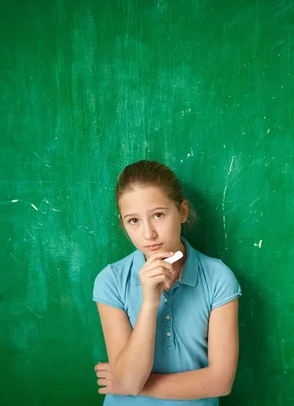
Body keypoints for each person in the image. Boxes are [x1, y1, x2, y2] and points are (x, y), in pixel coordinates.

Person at [92, 160, 241, 405]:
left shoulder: (218, 277)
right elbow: (129, 381)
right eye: (134, 221)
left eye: (158, 215)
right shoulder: (111, 280)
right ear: (123, 224)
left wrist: (136, 385)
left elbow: (221, 382)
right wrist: (150, 301)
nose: (148, 234)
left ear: (182, 212)